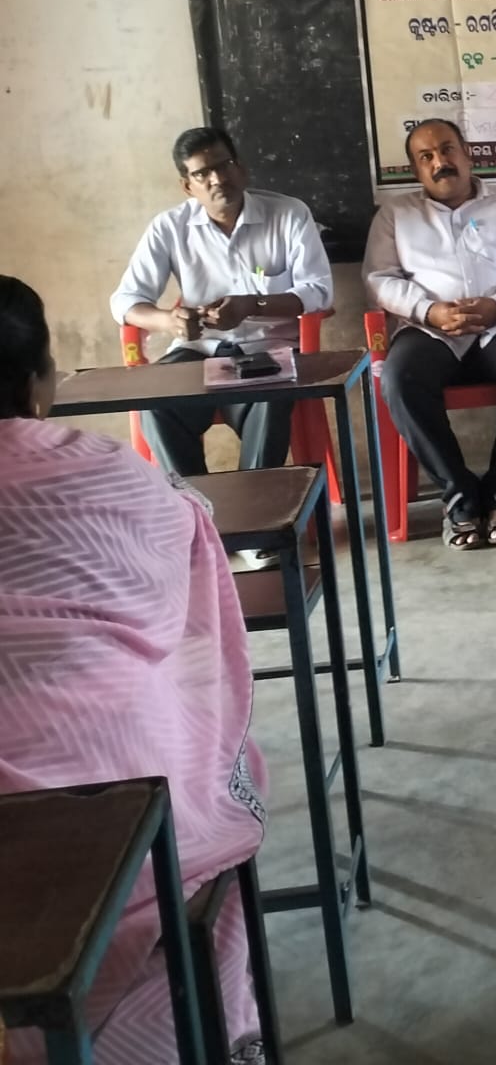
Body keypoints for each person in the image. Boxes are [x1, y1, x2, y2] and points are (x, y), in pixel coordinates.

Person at [0, 276, 267, 1064]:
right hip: (114, 809)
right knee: (193, 731)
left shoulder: (282, 224)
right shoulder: (111, 477)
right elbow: (185, 574)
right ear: (40, 384)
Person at [364, 117, 496, 549]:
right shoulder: (395, 214)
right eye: (426, 157)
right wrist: (430, 311)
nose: (440, 162)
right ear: (415, 169)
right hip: (430, 332)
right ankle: (459, 496)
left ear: (467, 153)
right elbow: (379, 278)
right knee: (398, 379)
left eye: (447, 149)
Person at [110, 125, 333, 477]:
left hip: (269, 351)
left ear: (240, 167)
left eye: (224, 165)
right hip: (198, 352)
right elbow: (125, 300)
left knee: (272, 397)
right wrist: (169, 320)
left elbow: (319, 291)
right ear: (188, 186)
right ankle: (194, 504)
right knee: (156, 401)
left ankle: (255, 503)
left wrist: (252, 305)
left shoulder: (289, 214)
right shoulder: (169, 227)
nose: (217, 179)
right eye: (202, 173)